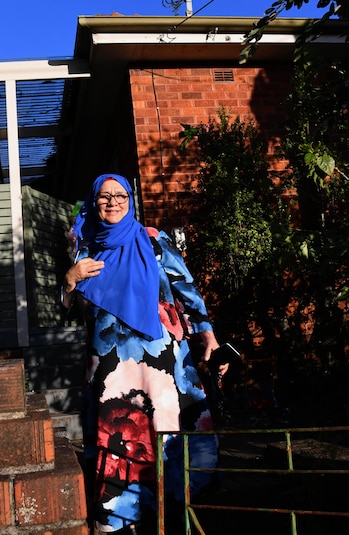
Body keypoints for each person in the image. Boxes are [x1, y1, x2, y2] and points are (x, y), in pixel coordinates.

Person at [62, 173, 226, 535]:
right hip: (110, 367)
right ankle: (124, 517)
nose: (113, 202)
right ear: (93, 201)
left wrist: (208, 335)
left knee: (165, 430)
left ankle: (178, 512)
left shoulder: (153, 240)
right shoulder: (85, 246)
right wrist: (70, 280)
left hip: (162, 362)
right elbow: (70, 311)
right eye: (104, 197)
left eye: (120, 195)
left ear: (130, 199)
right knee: (120, 438)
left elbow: (186, 289)